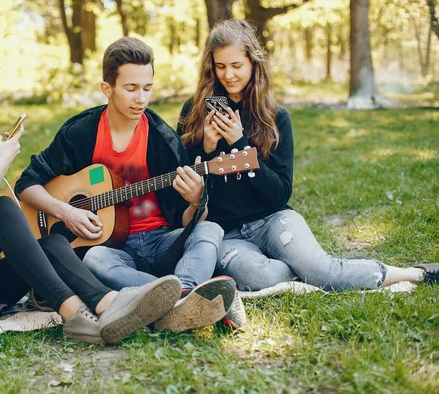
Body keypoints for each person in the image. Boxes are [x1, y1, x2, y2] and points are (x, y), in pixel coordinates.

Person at [0, 54, 186, 345]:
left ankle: (108, 303)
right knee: (2, 208)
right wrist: (1, 167)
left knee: (54, 243)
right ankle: (74, 316)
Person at [177, 19, 439, 309]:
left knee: (322, 271)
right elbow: (184, 187)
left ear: (253, 63)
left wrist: (240, 145)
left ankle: (415, 273)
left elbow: (279, 194)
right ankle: (310, 273)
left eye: (237, 65)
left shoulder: (275, 117)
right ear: (210, 66)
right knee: (259, 275)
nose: (228, 75)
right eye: (220, 66)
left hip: (272, 219)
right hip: (224, 232)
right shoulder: (193, 112)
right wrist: (207, 148)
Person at [16, 38, 238, 333]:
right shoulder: (81, 133)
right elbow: (26, 184)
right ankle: (185, 301)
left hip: (161, 242)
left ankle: (177, 295)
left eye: (147, 88)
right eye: (131, 88)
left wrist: (197, 203)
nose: (141, 99)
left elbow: (186, 221)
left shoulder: (162, 139)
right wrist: (67, 212)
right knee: (94, 259)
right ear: (107, 88)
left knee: (210, 229)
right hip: (110, 250)